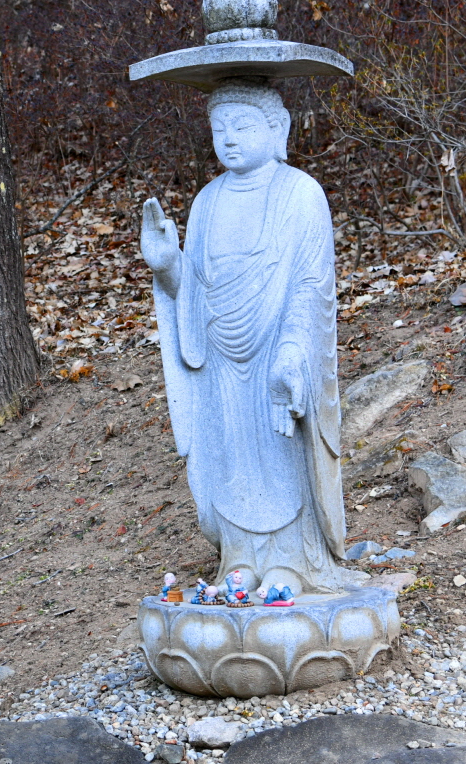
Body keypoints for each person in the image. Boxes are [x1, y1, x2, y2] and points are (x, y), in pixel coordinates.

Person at [139, 80, 358, 597]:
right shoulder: (207, 201)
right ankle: (239, 556)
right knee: (230, 452)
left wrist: (292, 352)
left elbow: (311, 283)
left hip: (278, 348)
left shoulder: (300, 194)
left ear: (277, 128)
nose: (229, 138)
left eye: (243, 126)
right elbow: (195, 290)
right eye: (219, 128)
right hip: (219, 355)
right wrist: (168, 266)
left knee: (282, 448)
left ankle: (294, 561)